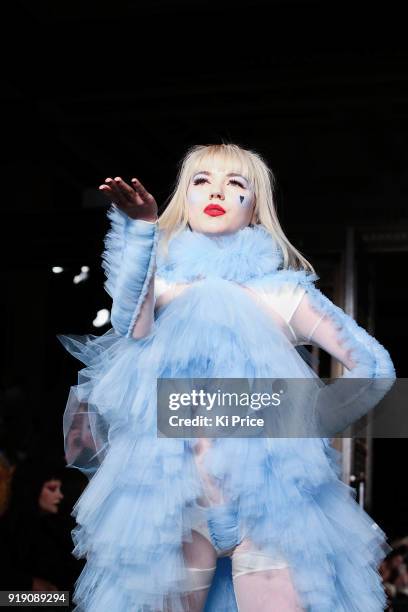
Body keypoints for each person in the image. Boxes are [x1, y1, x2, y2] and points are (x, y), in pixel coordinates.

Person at [58, 143, 396, 611]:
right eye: (201, 180)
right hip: (177, 509)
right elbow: (129, 326)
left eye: (236, 183)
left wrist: (298, 420)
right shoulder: (162, 288)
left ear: (255, 209)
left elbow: (376, 371)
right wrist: (141, 230)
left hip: (271, 512)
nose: (217, 190)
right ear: (185, 198)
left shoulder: (283, 295)